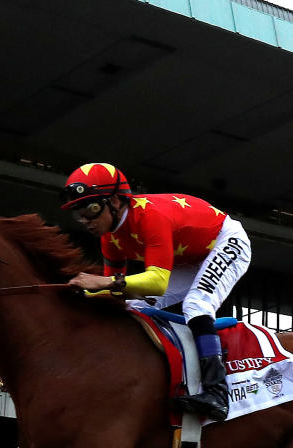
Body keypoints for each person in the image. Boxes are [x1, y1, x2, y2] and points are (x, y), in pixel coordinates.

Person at [59, 162, 253, 421]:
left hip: (227, 241)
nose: (86, 221)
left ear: (116, 201)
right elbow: (118, 296)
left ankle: (217, 393)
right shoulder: (109, 237)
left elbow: (157, 282)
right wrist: (81, 294)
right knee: (134, 307)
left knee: (197, 304)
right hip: (191, 257)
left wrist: (101, 284)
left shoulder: (150, 216)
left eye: (91, 209)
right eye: (78, 213)